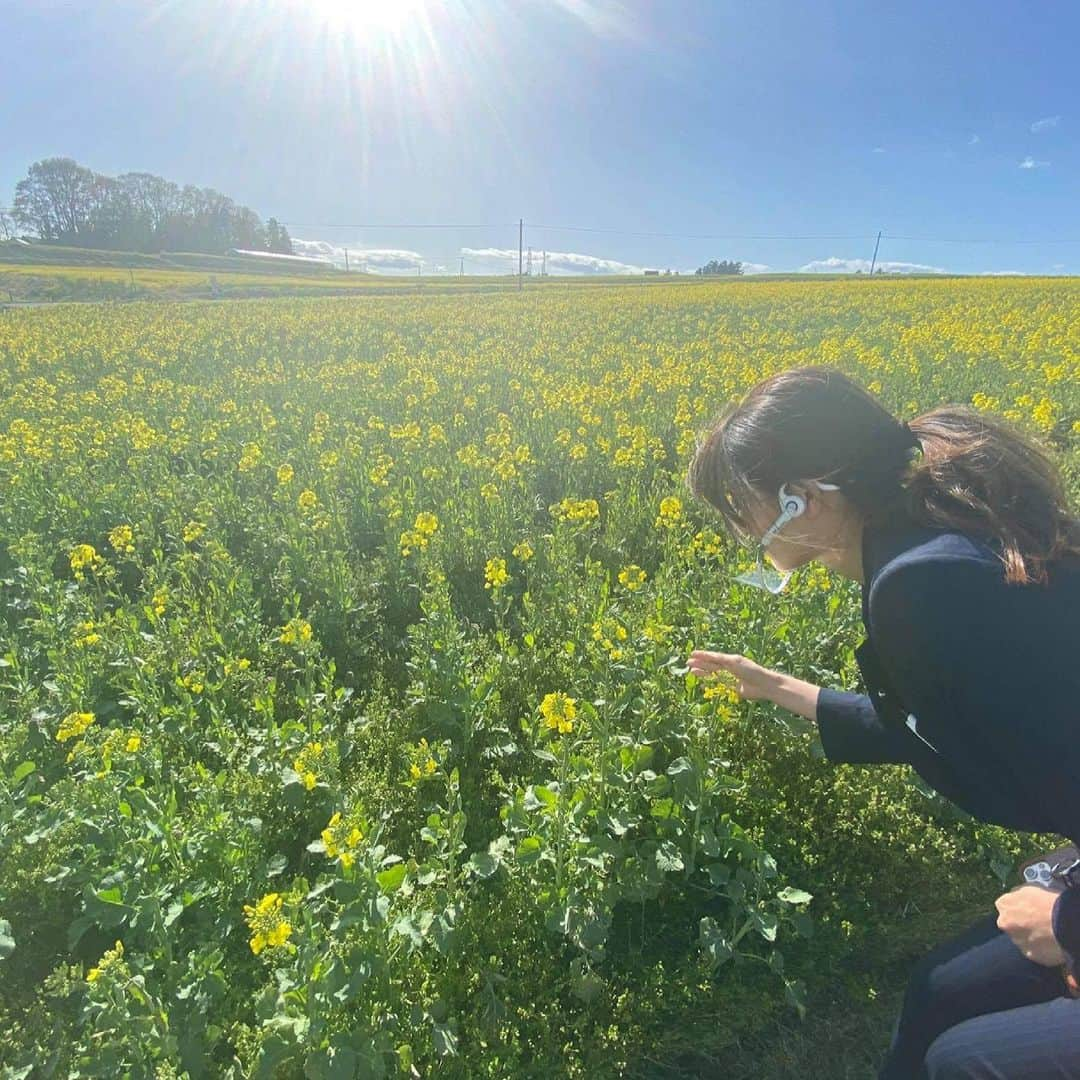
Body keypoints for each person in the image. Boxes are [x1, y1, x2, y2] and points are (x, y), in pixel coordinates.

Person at [683, 365, 1080, 1078]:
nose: (743, 533)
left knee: (967, 1062)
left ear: (798, 500)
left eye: (740, 511)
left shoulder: (923, 584)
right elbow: (946, 722)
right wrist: (778, 688)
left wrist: (1066, 926)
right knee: (939, 990)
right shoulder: (932, 536)